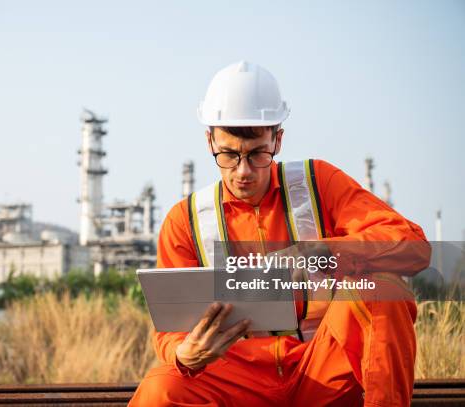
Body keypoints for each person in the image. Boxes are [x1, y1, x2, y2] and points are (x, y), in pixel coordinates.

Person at [129, 61, 430, 407]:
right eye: (228, 155)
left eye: (257, 153)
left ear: (278, 139)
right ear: (210, 140)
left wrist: (321, 252)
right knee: (159, 391)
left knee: (383, 291)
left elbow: (415, 247)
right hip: (235, 382)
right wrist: (183, 354)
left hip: (321, 370)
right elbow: (170, 329)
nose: (243, 172)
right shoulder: (185, 221)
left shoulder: (320, 184)